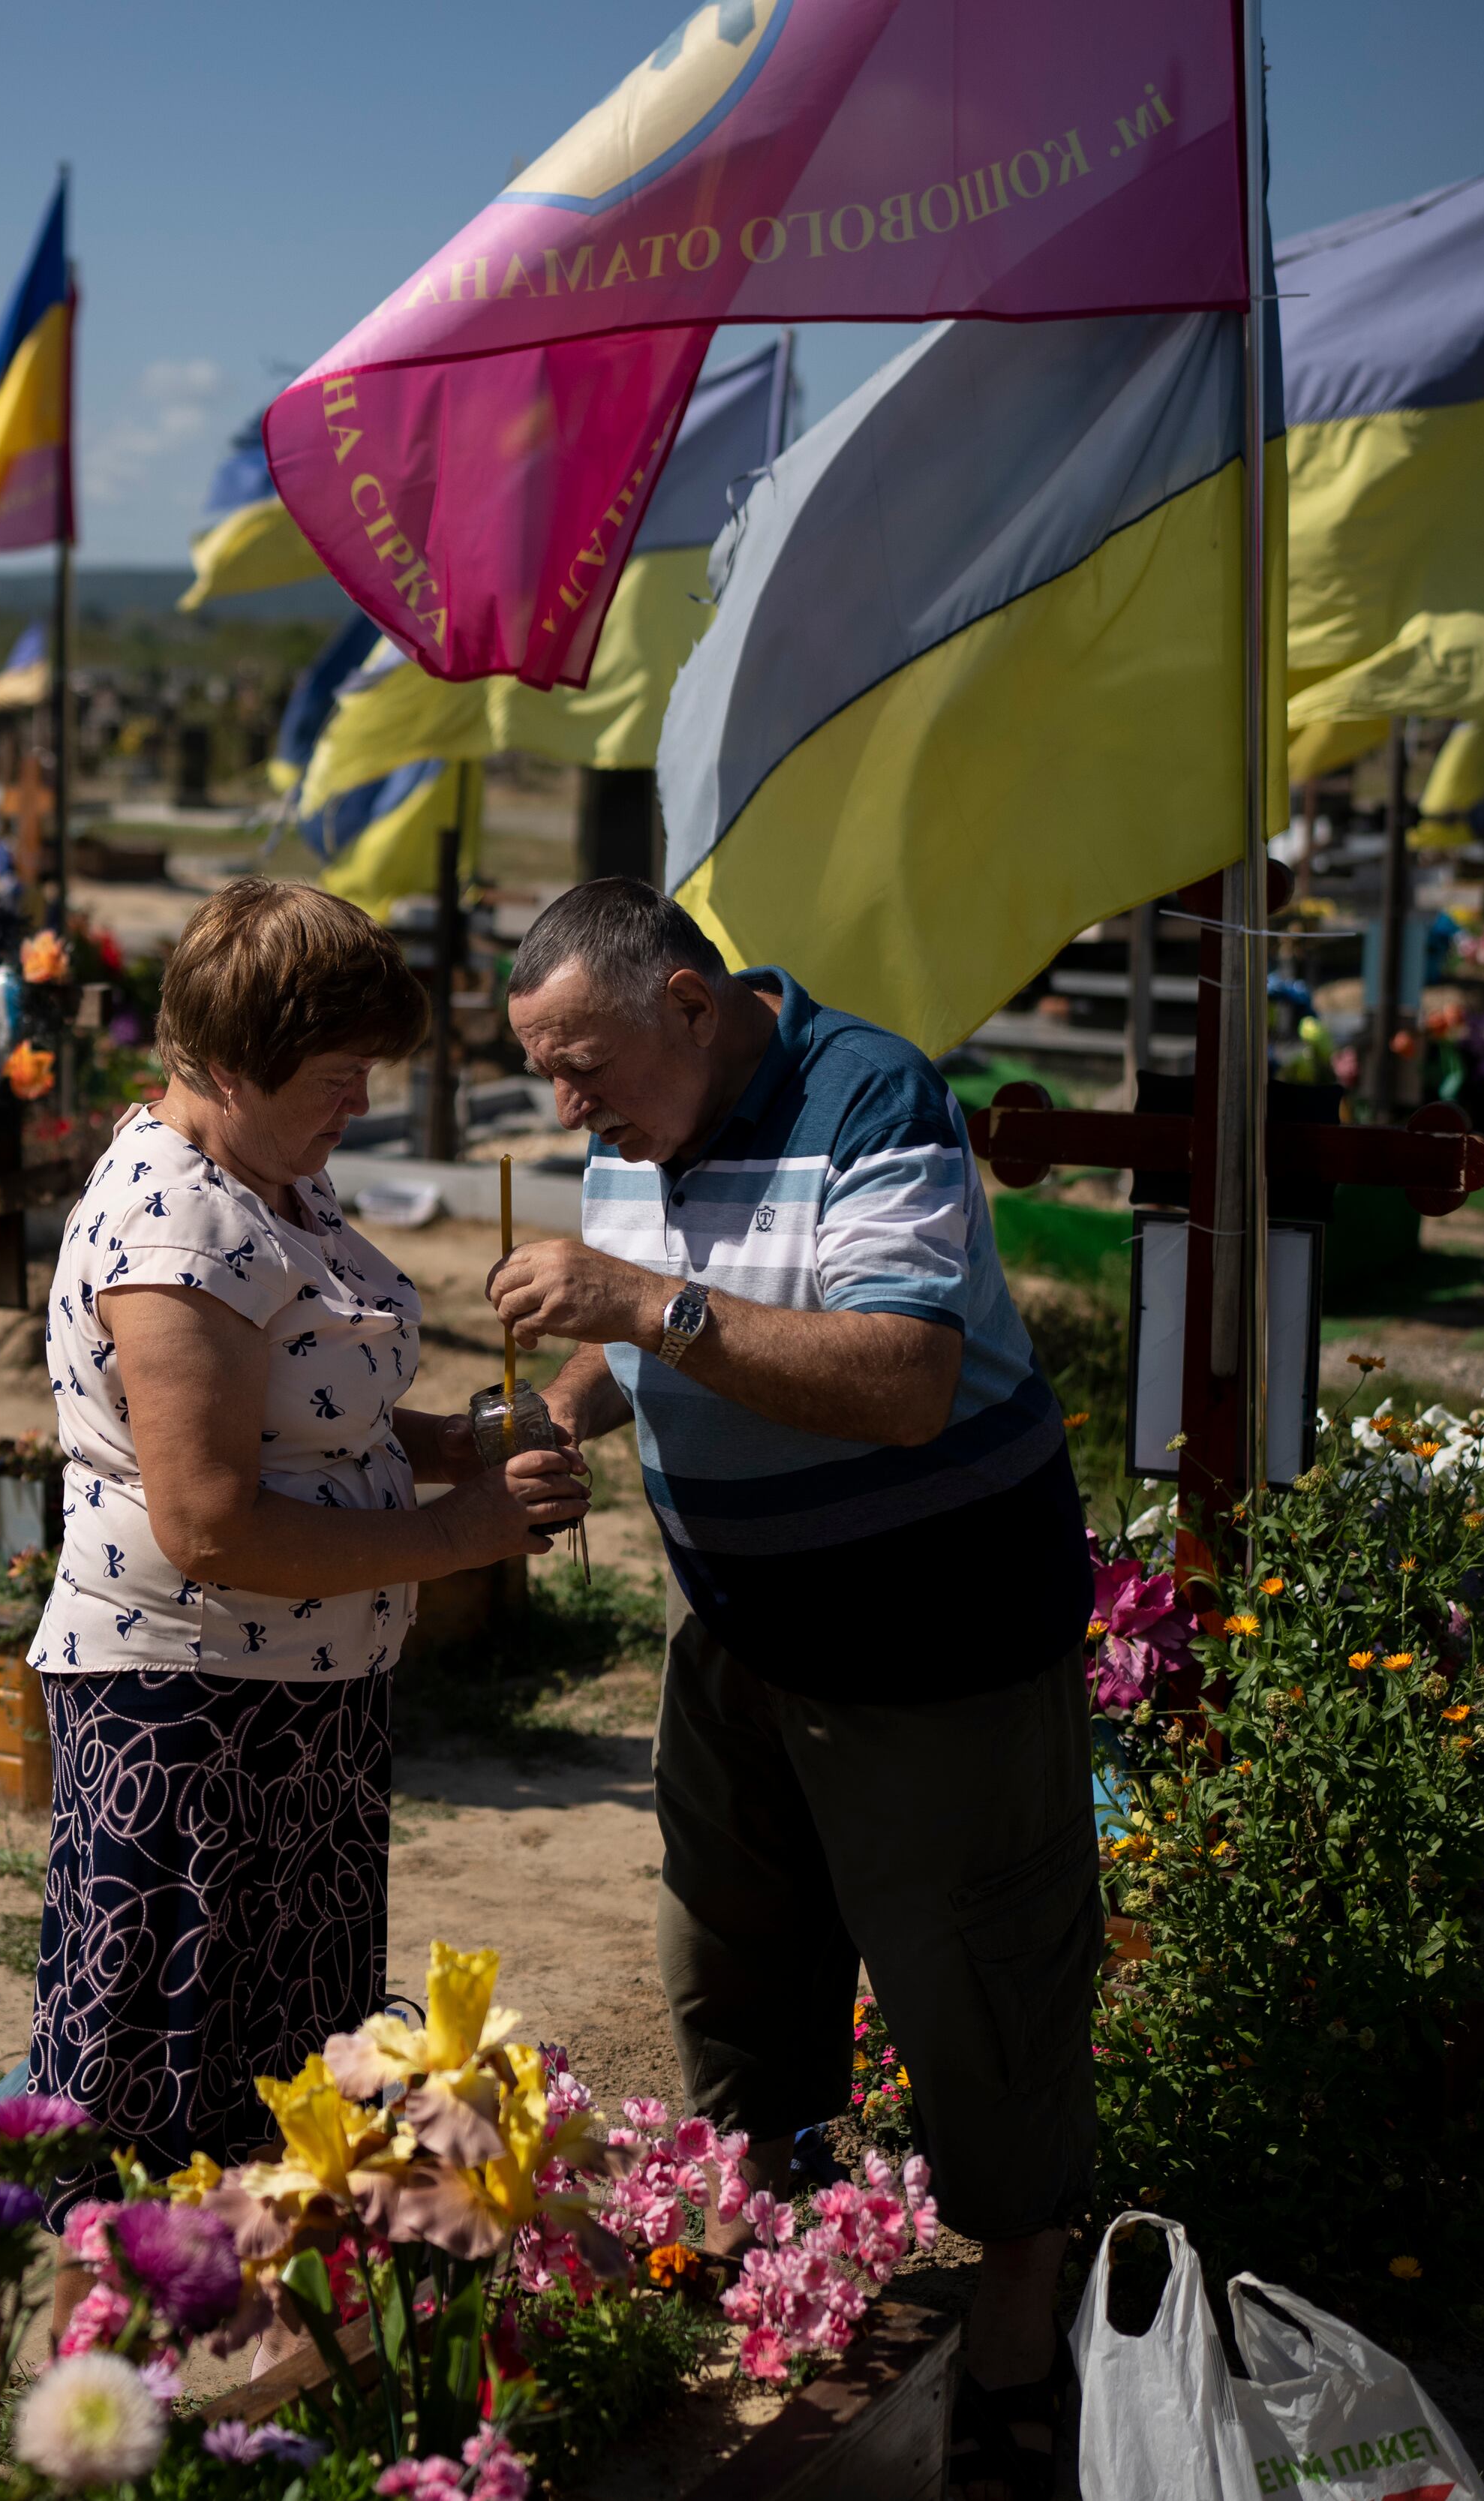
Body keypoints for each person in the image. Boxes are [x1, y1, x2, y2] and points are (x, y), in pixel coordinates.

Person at [485, 881, 1092, 2501]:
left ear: (691, 1002)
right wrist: (550, 1414)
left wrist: (640, 1306)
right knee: (731, 1974)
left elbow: (895, 1377)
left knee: (977, 1986)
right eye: (544, 1073)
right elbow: (635, 1343)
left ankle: (1023, 2306)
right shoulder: (642, 1109)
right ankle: (802, 2269)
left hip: (937, 1632)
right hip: (745, 1627)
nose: (565, 1106)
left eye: (580, 1064)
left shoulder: (870, 1092)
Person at [26, 877, 589, 2193]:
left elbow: (306, 1420)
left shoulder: (264, 1172)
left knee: (288, 2087)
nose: (361, 1102)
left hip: (288, 1703)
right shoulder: (176, 1227)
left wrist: (454, 1441)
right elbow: (213, 1522)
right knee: (170, 2096)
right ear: (229, 1064)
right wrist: (465, 1530)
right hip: (192, 1711)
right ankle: (139, 2356)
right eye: (338, 1074)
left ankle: (272, 2360)